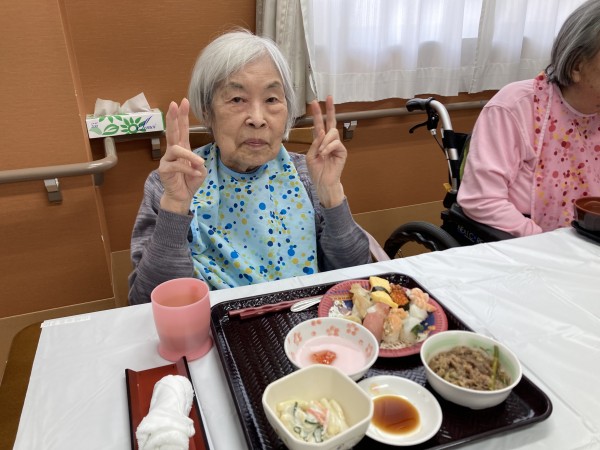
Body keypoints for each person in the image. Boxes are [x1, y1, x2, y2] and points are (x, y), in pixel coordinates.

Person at [128, 30, 371, 305]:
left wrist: (331, 193)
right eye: (237, 99)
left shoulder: (307, 175)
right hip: (214, 325)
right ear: (207, 111)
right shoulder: (170, 183)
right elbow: (145, 302)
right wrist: (175, 206)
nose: (257, 118)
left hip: (307, 323)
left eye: (271, 99)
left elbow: (357, 275)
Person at [457, 0, 600, 237]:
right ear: (576, 66)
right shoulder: (515, 106)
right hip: (528, 237)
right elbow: (482, 199)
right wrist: (542, 242)